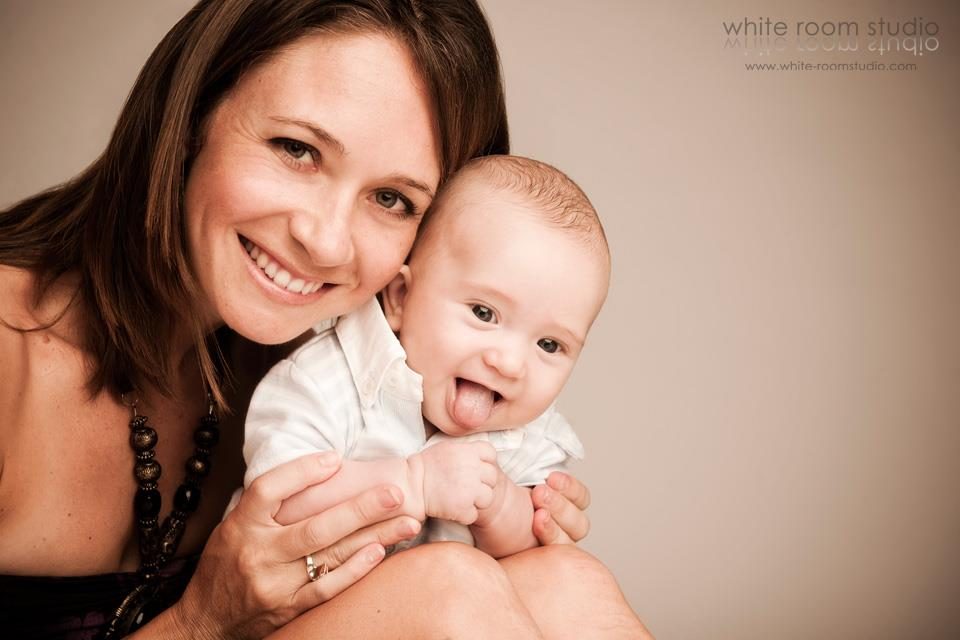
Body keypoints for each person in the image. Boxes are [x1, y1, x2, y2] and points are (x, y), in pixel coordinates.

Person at [0, 0, 652, 638]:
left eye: (392, 199)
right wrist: (203, 623)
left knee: (562, 579)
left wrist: (519, 522)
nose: (329, 243)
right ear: (194, 110)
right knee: (446, 585)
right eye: (297, 149)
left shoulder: (337, 364)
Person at [242, 155, 610, 566]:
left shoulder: (529, 435)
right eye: (483, 313)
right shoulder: (325, 382)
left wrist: (503, 506)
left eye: (548, 345)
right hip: (307, 613)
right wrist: (413, 482)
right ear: (401, 297)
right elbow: (277, 506)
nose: (510, 363)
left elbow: (534, 551)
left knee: (579, 573)